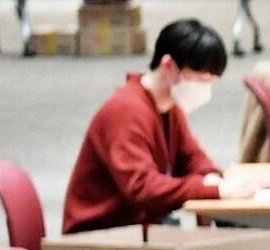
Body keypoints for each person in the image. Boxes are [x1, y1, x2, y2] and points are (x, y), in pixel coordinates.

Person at [62, 19, 257, 234]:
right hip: (99, 236)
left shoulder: (169, 107)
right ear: (168, 67)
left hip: (136, 229)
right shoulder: (126, 111)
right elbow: (141, 188)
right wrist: (214, 190)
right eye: (202, 78)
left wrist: (212, 177)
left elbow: (192, 157)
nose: (206, 87)